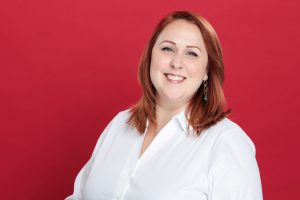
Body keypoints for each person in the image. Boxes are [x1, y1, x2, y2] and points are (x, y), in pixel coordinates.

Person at [66, 10, 263, 200]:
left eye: (192, 53)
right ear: (150, 56)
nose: (177, 62)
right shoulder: (120, 124)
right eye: (168, 49)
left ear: (207, 71)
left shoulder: (225, 142)